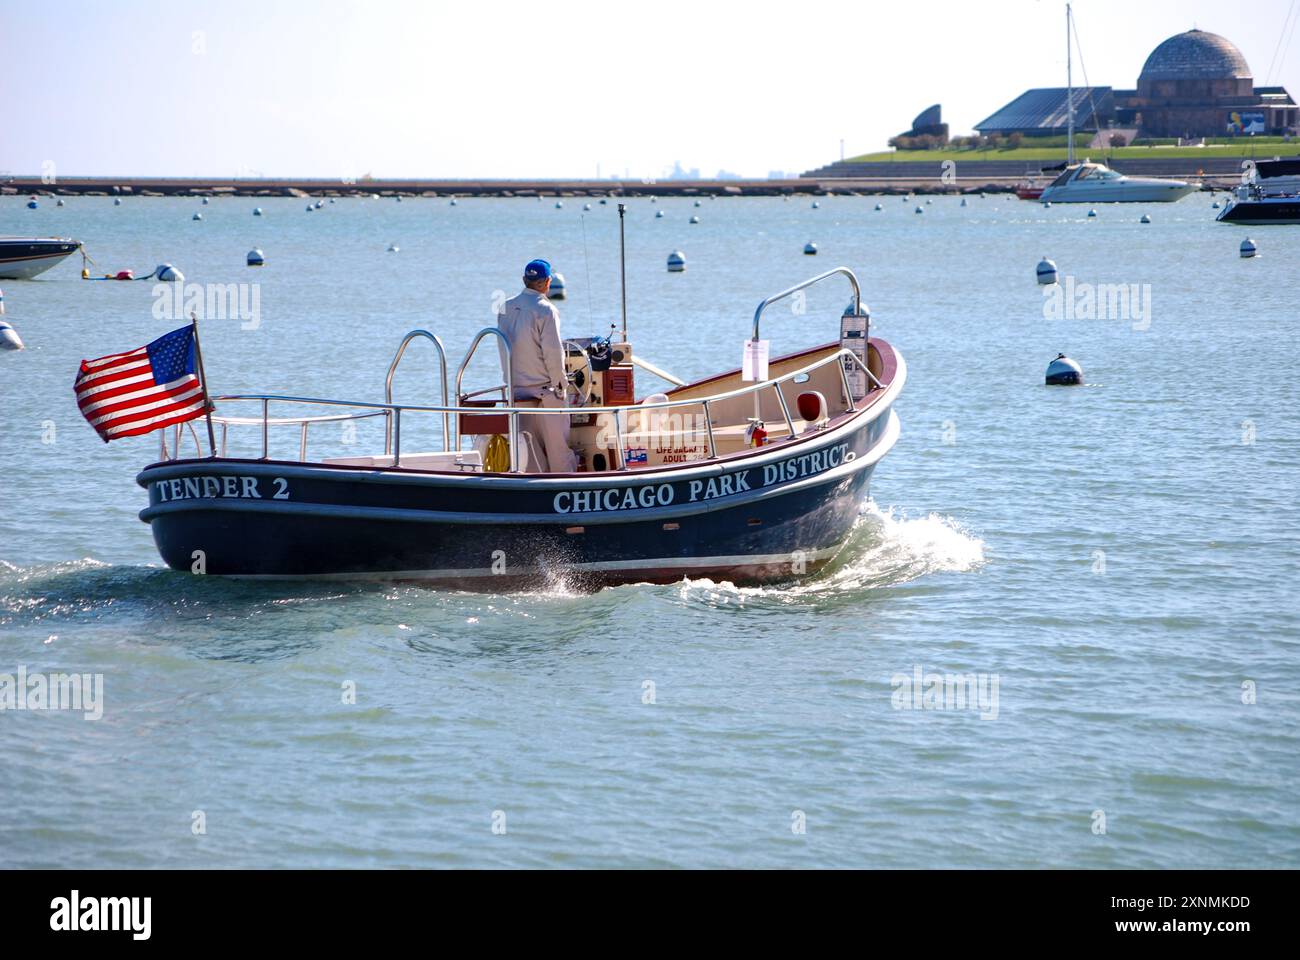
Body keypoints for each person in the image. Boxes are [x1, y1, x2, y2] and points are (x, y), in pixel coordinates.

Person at [496, 259, 577, 473]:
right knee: (558, 450)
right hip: (545, 392)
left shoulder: (504, 307)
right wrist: (562, 385)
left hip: (516, 392)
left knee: (527, 451)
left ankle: (530, 487)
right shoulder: (545, 310)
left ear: (525, 280)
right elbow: (552, 352)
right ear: (547, 282)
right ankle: (566, 488)